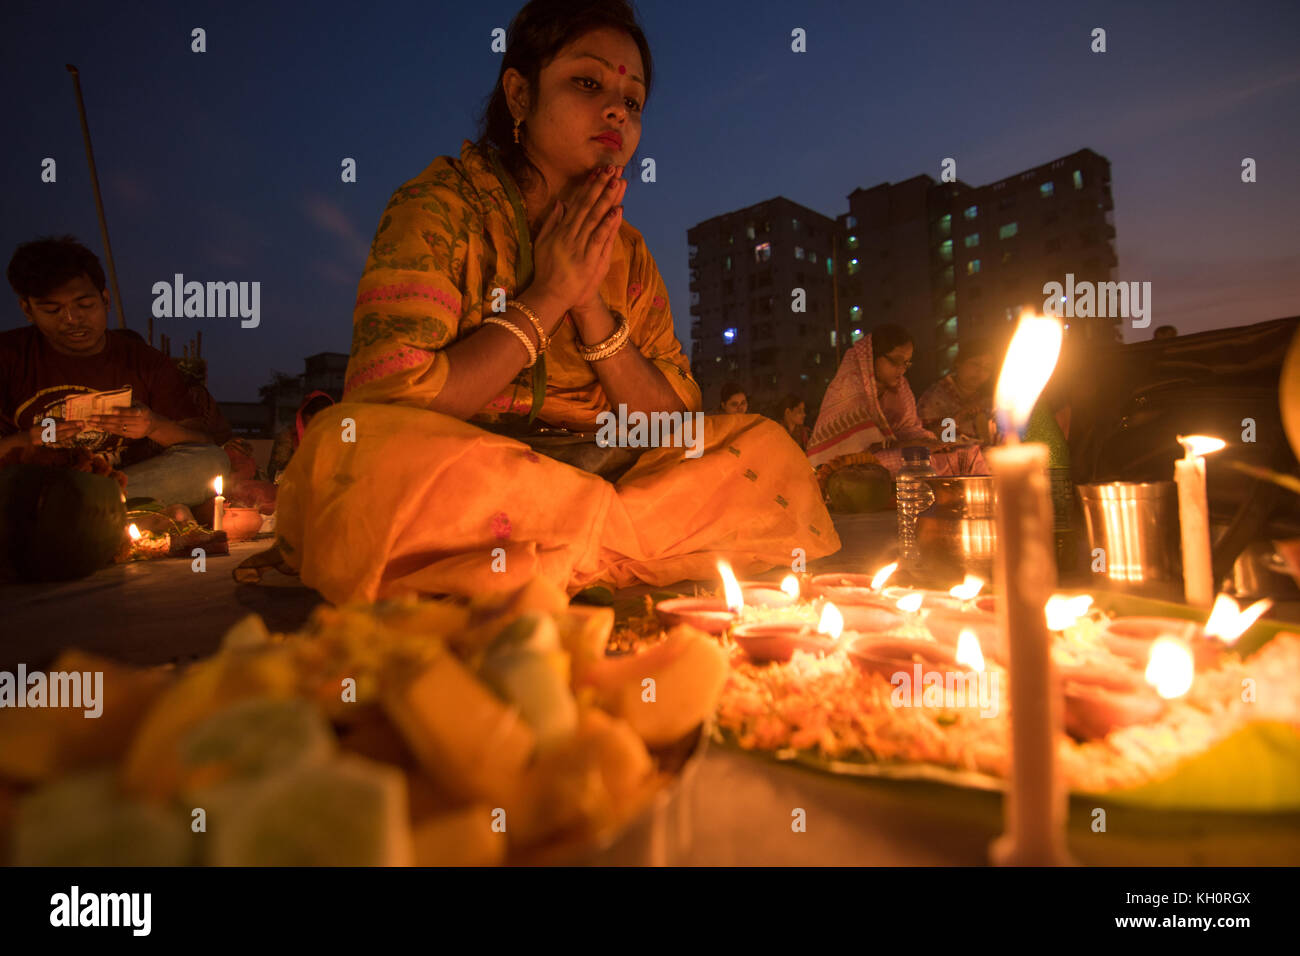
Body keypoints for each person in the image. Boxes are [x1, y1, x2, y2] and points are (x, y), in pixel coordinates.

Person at [265, 0, 839, 604]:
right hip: (468, 475)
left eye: (633, 101)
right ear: (519, 95)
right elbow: (388, 396)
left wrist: (590, 307)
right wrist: (549, 296)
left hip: (604, 468)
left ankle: (537, 554)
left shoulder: (629, 252)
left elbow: (670, 426)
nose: (617, 110)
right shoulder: (441, 206)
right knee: (355, 452)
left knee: (765, 448)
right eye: (588, 83)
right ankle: (601, 550)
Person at [0, 236, 229, 506]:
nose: (72, 320)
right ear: (27, 310)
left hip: (123, 486)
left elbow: (202, 443)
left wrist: (153, 425)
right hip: (29, 488)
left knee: (211, 462)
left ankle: (82, 507)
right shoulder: (9, 356)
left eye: (85, 305)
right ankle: (82, 508)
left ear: (105, 299)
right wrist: (29, 439)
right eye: (52, 310)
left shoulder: (146, 362)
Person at [807, 323, 987, 476]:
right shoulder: (850, 387)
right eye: (895, 361)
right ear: (871, 357)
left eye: (907, 363)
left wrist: (934, 443)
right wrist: (916, 444)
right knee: (910, 460)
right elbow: (860, 450)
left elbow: (909, 428)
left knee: (966, 454)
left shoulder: (900, 387)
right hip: (848, 466)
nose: (902, 369)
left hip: (892, 454)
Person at [916, 340, 996, 445]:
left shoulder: (990, 400)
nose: (980, 371)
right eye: (975, 364)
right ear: (958, 363)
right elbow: (926, 439)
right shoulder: (935, 396)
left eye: (987, 368)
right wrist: (958, 418)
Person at [268, 390, 334, 482]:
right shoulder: (288, 437)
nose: (316, 423)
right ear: (303, 415)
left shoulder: (333, 438)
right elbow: (274, 474)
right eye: (311, 417)